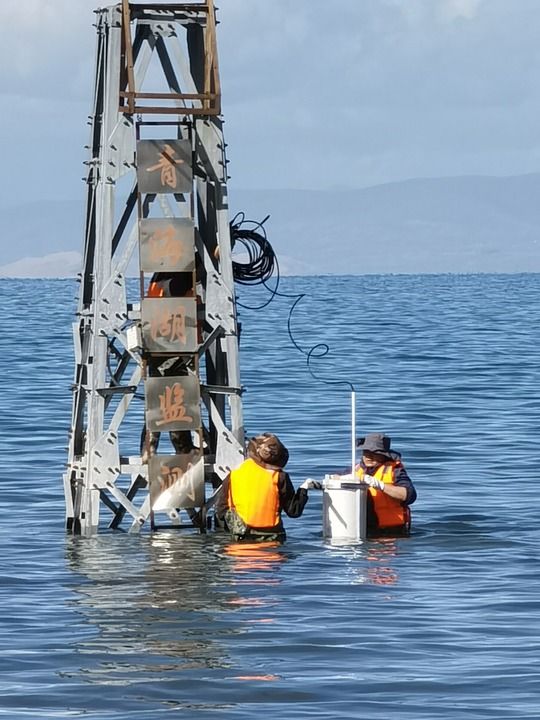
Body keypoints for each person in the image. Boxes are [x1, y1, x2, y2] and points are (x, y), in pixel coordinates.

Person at [216, 433, 319, 542]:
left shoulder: (233, 475)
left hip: (240, 543)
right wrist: (304, 488)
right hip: (272, 541)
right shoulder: (279, 476)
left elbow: (221, 511)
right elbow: (294, 511)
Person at [354, 432, 417, 537]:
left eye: (375, 452)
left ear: (384, 455)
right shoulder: (356, 469)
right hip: (364, 530)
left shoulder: (395, 471)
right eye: (366, 451)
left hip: (391, 533)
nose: (369, 456)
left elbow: (410, 495)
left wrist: (381, 486)